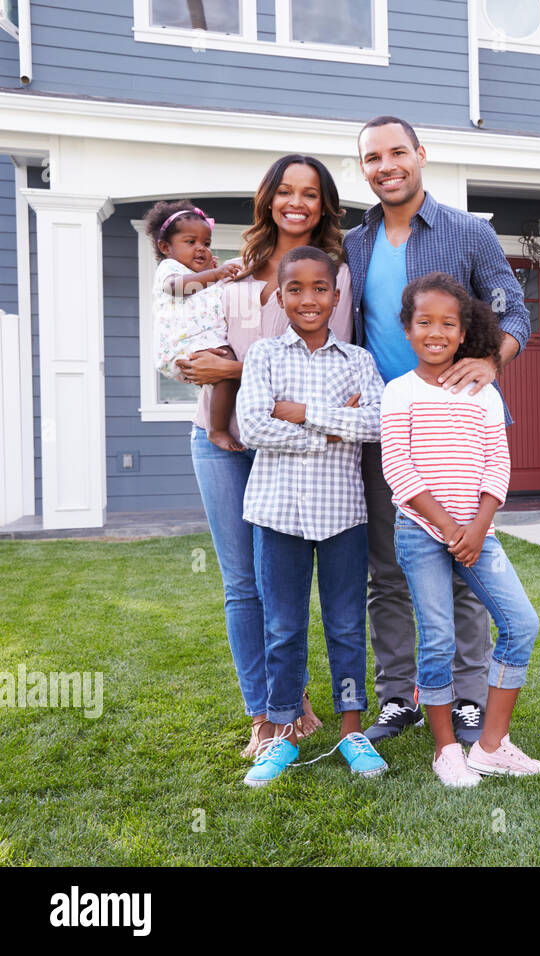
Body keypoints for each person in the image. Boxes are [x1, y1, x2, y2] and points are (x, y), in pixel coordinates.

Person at [345, 115, 531, 745]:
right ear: (364, 169)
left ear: (420, 155)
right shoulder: (355, 243)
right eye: (373, 158)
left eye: (397, 152)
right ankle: (399, 697)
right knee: (389, 571)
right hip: (387, 428)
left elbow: (514, 309)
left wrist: (492, 360)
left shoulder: (468, 232)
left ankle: (469, 698)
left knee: (465, 568)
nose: (386, 166)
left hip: (459, 426)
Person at [178, 155, 351, 757]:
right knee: (241, 584)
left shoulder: (334, 276)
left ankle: (290, 697)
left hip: (289, 447)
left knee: (285, 583)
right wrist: (195, 362)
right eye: (285, 191)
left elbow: (325, 367)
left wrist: (230, 369)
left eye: (309, 193)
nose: (295, 202)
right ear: (268, 199)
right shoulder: (232, 271)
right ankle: (265, 712)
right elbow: (198, 345)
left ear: (324, 205)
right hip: (218, 440)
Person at [382, 273, 540, 787]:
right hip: (421, 531)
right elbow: (398, 469)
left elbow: (497, 464)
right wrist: (450, 528)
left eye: (447, 324)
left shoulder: (484, 393)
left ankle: (491, 746)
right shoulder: (399, 392)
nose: (435, 332)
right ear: (407, 329)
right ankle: (445, 750)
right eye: (424, 322)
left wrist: (477, 528)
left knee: (521, 624)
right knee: (438, 639)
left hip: (479, 532)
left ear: (463, 333)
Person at [237, 246, 388, 787]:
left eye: (320, 288)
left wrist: (300, 414)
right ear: (280, 297)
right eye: (295, 289)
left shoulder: (358, 361)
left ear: (336, 295)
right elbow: (253, 427)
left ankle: (352, 730)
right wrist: (331, 429)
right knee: (283, 627)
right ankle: (282, 732)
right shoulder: (263, 356)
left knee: (346, 624)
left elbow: (376, 423)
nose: (308, 299)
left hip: (342, 513)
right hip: (277, 513)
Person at [145, 200, 243, 452]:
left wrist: (212, 274)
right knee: (227, 369)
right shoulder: (170, 269)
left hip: (203, 341)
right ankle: (217, 430)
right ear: (166, 247)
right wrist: (213, 275)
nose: (201, 249)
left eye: (206, 244)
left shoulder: (203, 274)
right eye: (190, 242)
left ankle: (219, 424)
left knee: (226, 372)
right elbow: (177, 287)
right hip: (182, 344)